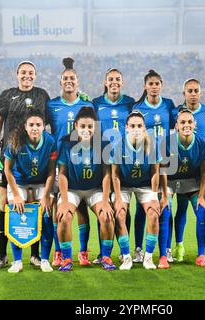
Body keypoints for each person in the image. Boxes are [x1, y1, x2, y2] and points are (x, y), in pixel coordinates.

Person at [0, 60, 50, 269]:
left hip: (32, 157)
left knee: (32, 201)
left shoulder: (42, 95)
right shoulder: (7, 95)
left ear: (35, 75)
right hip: (9, 155)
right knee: (5, 202)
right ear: (17, 74)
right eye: (23, 72)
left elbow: (51, 121)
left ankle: (34, 254)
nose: (27, 75)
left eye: (31, 72)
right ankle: (2, 254)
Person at [46, 57, 95, 267]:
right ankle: (58, 252)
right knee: (60, 209)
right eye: (65, 78)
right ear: (60, 82)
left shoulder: (87, 104)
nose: (69, 81)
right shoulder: (51, 105)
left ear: (77, 81)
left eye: (72, 78)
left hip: (81, 162)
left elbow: (94, 131)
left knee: (83, 208)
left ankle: (83, 252)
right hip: (60, 164)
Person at [56, 107, 115, 272]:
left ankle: (106, 256)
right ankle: (67, 259)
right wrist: (65, 201)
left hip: (94, 189)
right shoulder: (66, 144)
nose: (86, 130)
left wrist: (105, 200)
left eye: (90, 126)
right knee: (64, 217)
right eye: (83, 126)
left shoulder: (104, 144)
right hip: (72, 189)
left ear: (95, 126)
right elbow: (62, 174)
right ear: (76, 125)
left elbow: (106, 174)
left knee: (107, 216)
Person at [111, 110, 166, 270]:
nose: (136, 129)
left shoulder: (152, 144)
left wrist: (155, 195)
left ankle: (148, 257)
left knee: (153, 213)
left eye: (139, 126)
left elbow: (155, 171)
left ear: (144, 128)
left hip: (145, 185)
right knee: (120, 213)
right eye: (132, 125)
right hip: (125, 185)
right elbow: (115, 175)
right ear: (126, 128)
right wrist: (119, 198)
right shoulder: (118, 145)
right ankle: (126, 257)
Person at [4, 108, 57, 273]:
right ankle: (17, 261)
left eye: (38, 124)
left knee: (47, 215)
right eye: (31, 124)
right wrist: (17, 196)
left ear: (43, 127)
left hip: (42, 182)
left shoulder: (50, 142)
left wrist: (46, 195)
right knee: (17, 213)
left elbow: (50, 172)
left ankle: (45, 260)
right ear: (25, 127)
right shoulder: (15, 140)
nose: (35, 127)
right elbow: (8, 170)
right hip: (19, 182)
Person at [131, 69, 176, 263]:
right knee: (143, 207)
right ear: (145, 86)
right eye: (150, 84)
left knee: (166, 206)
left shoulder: (168, 105)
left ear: (161, 85)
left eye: (157, 83)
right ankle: (139, 249)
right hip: (146, 161)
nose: (154, 87)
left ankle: (166, 249)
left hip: (165, 160)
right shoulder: (138, 107)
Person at [92, 68, 134, 264]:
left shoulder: (130, 103)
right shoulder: (96, 103)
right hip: (103, 161)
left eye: (118, 78)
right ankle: (103, 252)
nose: (114, 82)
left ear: (122, 82)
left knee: (124, 207)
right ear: (105, 82)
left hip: (125, 160)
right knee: (104, 205)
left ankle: (127, 249)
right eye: (111, 79)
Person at [169, 78, 205, 262]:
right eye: (189, 91)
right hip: (179, 168)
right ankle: (178, 246)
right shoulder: (175, 113)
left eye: (196, 90)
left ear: (200, 93)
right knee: (180, 209)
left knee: (204, 208)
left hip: (198, 166)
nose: (193, 94)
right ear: (184, 93)